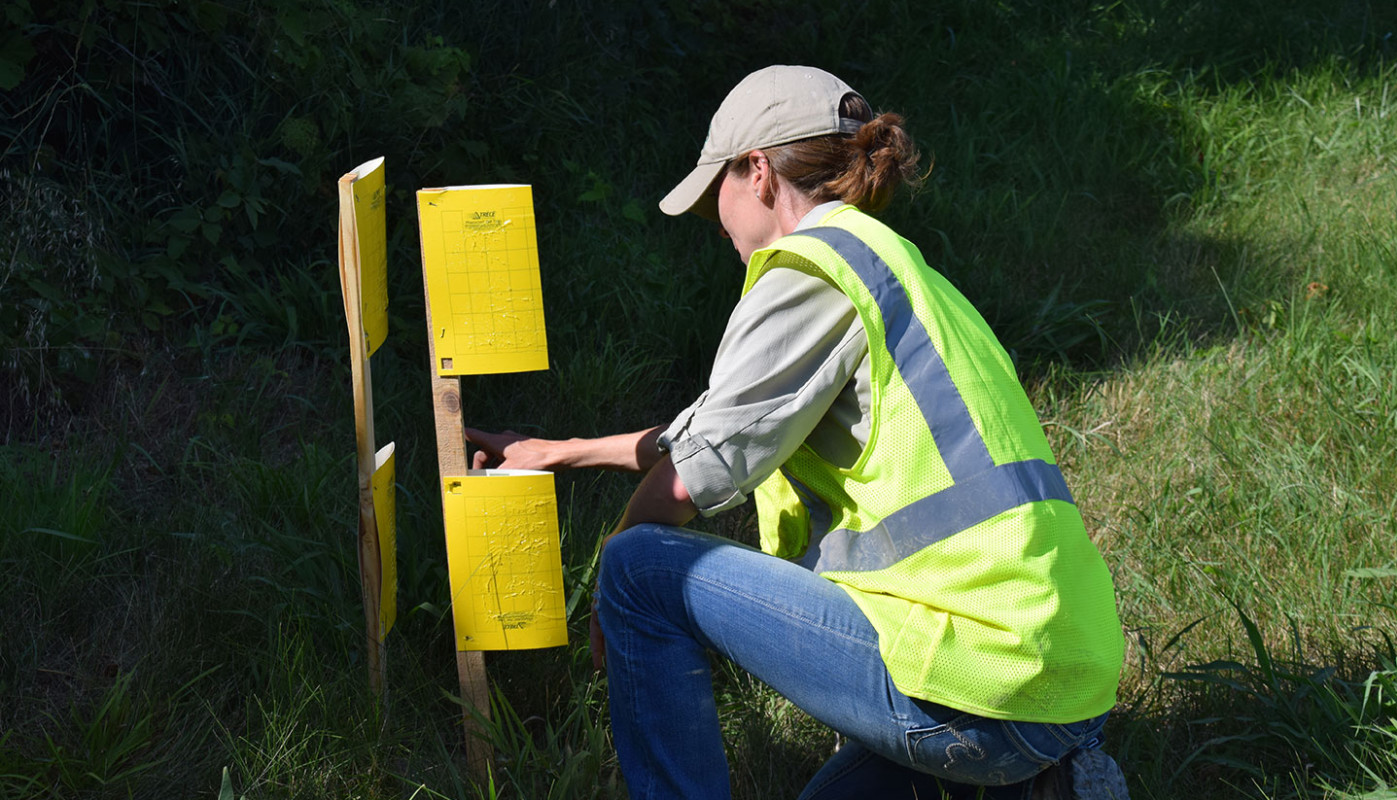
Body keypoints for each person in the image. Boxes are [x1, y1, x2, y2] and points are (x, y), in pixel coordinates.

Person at [465, 65, 1130, 800]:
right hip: (1055, 675)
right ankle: (1047, 779)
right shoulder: (896, 272)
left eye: (715, 185)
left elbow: (693, 472)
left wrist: (613, 588)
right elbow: (721, 423)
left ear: (757, 172)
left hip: (974, 672)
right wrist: (561, 452)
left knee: (638, 568)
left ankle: (1017, 774)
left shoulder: (809, 270)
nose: (714, 217)